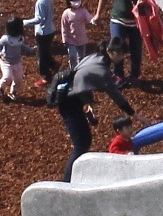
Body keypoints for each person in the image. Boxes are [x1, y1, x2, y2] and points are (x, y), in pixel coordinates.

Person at [51, 47, 135, 180]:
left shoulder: (94, 57)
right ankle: (67, 181)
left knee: (85, 141)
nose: (122, 58)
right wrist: (133, 113)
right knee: (81, 144)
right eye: (121, 54)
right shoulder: (102, 69)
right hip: (68, 104)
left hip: (74, 101)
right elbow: (114, 93)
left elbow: (81, 78)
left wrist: (87, 104)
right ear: (112, 52)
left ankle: (76, 175)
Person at [97, 0, 154, 83]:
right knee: (117, 48)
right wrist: (98, 13)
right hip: (118, 19)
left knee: (136, 50)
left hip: (136, 21)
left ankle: (134, 75)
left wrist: (143, 1)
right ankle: (119, 75)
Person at [27, 0, 60, 86]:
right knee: (45, 53)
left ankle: (46, 77)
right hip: (50, 30)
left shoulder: (40, 2)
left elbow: (39, 19)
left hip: (43, 32)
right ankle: (54, 65)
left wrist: (24, 23)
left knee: (41, 56)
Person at [0, 16, 29, 102]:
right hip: (6, 62)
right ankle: (0, 89)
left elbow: (22, 45)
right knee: (7, 77)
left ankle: (13, 92)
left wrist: (31, 49)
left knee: (18, 79)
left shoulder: (20, 38)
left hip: (17, 62)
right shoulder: (6, 38)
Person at [58, 0, 93, 67]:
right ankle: (73, 70)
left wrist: (92, 20)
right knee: (72, 56)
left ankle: (80, 70)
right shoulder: (66, 13)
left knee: (81, 57)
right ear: (69, 2)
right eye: (74, 0)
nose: (76, 2)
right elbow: (64, 27)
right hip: (71, 40)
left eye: (78, 0)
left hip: (82, 39)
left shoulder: (83, 11)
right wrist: (65, 39)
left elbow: (89, 17)